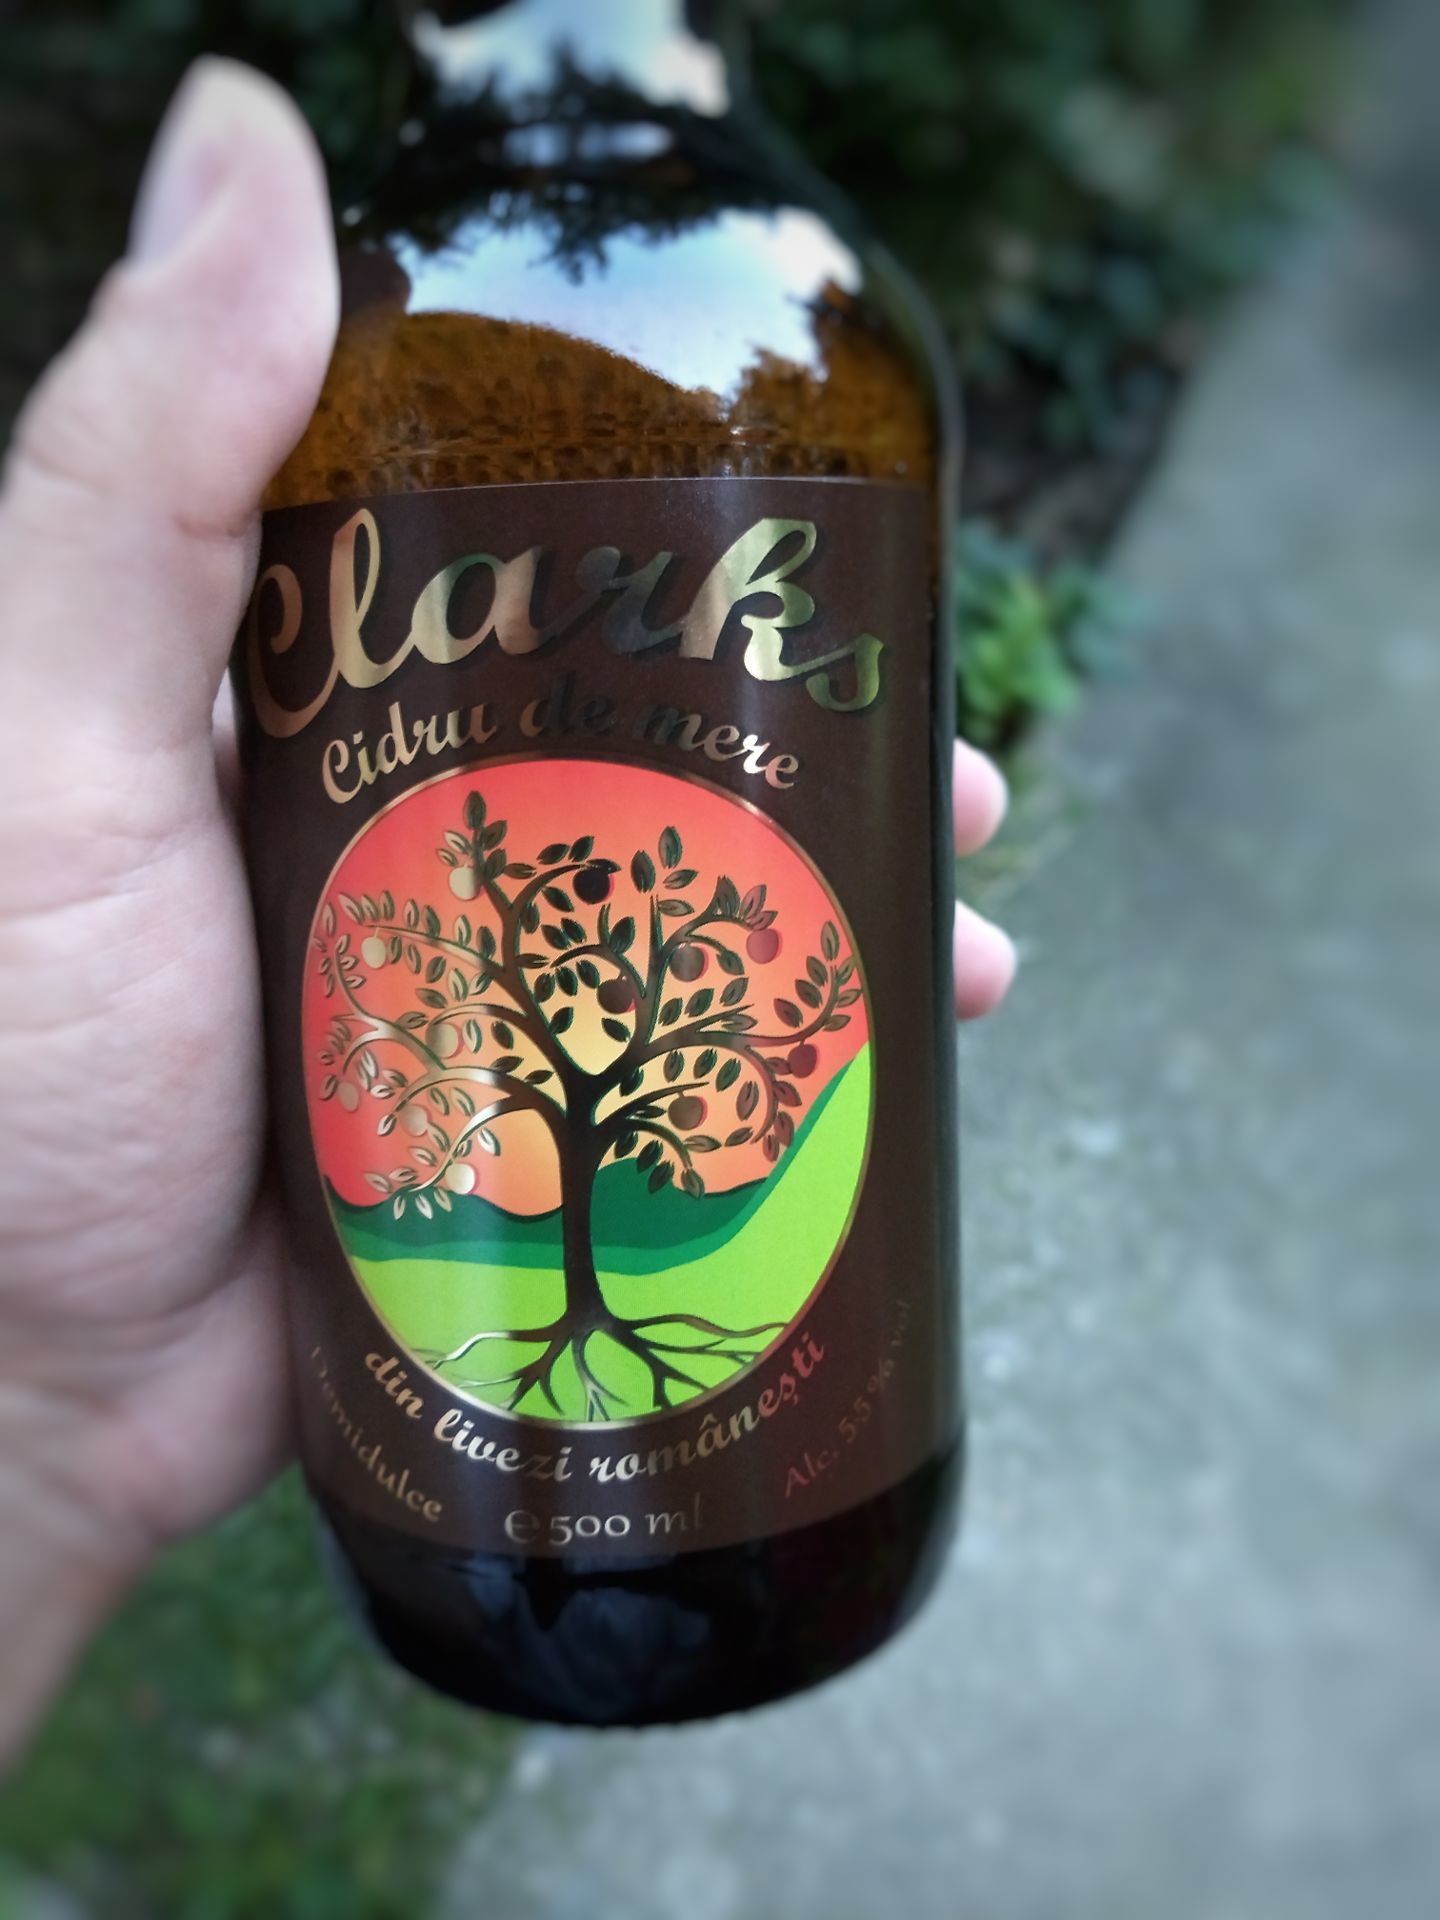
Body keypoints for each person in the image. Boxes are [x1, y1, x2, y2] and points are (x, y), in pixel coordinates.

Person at [0, 61, 1017, 1766]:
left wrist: (45, 1437)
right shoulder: (393, 299)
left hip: (825, 1489)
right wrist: (35, 1402)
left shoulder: (775, 288)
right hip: (350, 1489)